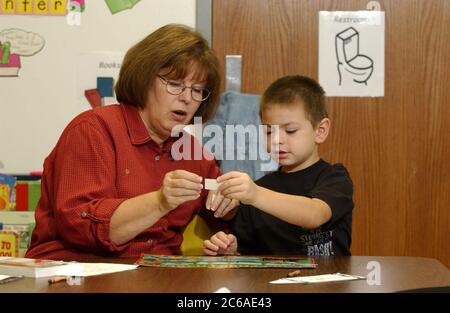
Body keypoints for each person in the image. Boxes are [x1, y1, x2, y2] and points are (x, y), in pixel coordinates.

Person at [25, 24, 236, 260]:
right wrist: (159, 201)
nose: (187, 98)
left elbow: (222, 215)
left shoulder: (190, 149)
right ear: (144, 79)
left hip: (157, 275)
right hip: (78, 271)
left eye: (197, 91)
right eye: (175, 85)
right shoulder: (92, 130)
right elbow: (80, 226)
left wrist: (228, 218)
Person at [203, 75, 354, 256]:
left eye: (290, 131)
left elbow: (314, 215)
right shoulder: (256, 190)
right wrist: (231, 249)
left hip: (327, 282)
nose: (277, 140)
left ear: (320, 131)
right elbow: (247, 252)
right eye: (269, 131)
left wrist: (255, 194)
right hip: (271, 283)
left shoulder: (335, 177)